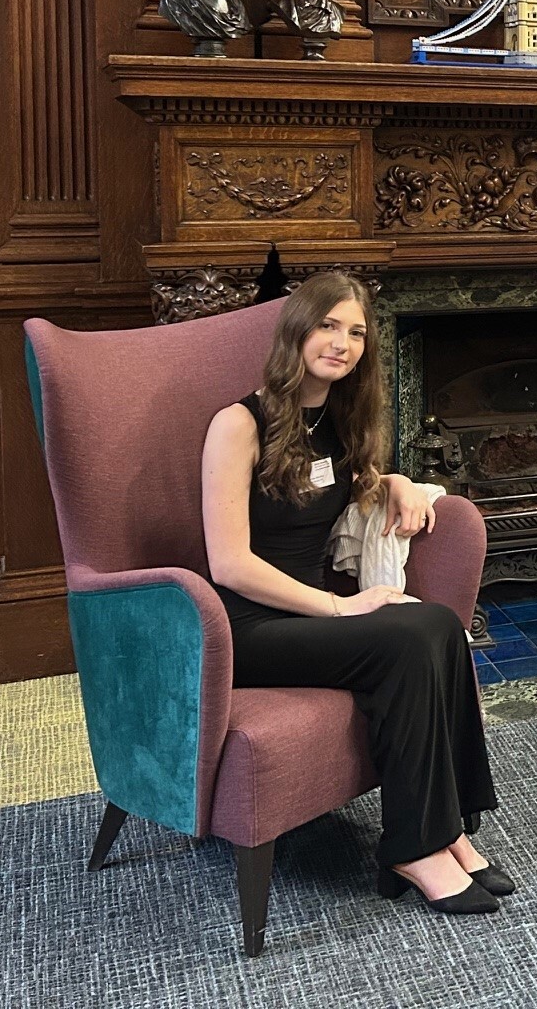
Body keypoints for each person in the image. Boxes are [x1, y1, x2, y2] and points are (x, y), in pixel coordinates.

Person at [200, 270, 511, 915]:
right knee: (410, 637)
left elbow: (356, 480)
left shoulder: (336, 420)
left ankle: (447, 829)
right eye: (327, 326)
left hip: (307, 620)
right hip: (245, 629)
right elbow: (228, 564)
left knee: (437, 625)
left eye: (357, 332)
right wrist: (341, 607)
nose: (342, 343)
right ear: (296, 331)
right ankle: (413, 847)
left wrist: (397, 482)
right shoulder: (237, 425)